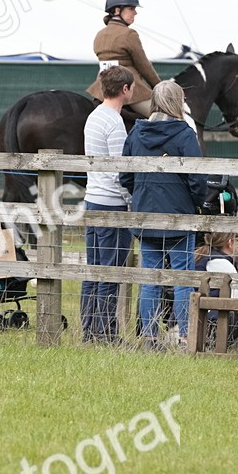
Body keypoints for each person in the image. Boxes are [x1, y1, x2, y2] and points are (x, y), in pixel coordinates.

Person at [120, 80, 207, 350]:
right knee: (182, 279)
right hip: (180, 219)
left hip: (145, 218)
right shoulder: (184, 134)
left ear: (154, 101)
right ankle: (184, 337)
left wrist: (144, 195)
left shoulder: (136, 133)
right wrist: (194, 202)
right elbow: (197, 178)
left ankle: (149, 338)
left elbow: (125, 176)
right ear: (177, 102)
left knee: (150, 279)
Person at [81, 65, 135, 343]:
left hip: (92, 200)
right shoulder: (115, 123)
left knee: (93, 269)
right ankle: (105, 333)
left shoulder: (94, 116)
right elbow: (119, 172)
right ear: (125, 89)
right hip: (111, 203)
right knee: (109, 272)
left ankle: (89, 329)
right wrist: (131, 202)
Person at [85, 0, 161, 119]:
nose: (135, 13)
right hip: (129, 87)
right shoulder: (129, 34)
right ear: (117, 10)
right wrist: (159, 87)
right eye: (131, 8)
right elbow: (144, 66)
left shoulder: (99, 34)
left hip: (103, 88)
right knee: (163, 117)